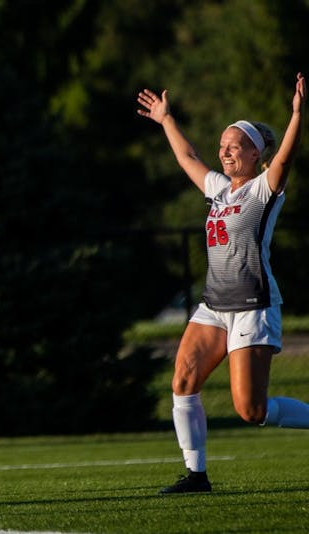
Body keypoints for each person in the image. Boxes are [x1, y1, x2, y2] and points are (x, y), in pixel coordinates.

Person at [136, 72, 308, 493]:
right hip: (214, 305)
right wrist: (165, 120)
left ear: (255, 153)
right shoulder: (218, 190)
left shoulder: (263, 191)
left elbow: (284, 161)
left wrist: (297, 115)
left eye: (234, 146)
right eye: (222, 146)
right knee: (182, 382)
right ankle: (197, 475)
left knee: (252, 410)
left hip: (253, 305)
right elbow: (187, 157)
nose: (225, 151)